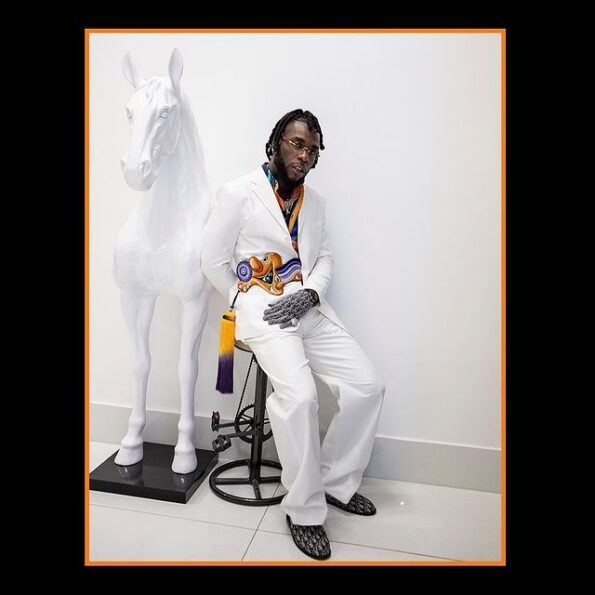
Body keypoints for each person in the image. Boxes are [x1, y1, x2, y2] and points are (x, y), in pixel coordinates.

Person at [201, 109, 385, 560]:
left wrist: (311, 294)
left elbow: (326, 258)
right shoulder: (237, 193)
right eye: (297, 144)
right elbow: (212, 260)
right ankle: (303, 511)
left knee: (368, 386)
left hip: (308, 309)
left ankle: (336, 483)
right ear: (275, 144)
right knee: (301, 398)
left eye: (313, 151)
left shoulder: (316, 203)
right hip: (264, 313)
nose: (304, 156)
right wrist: (241, 299)